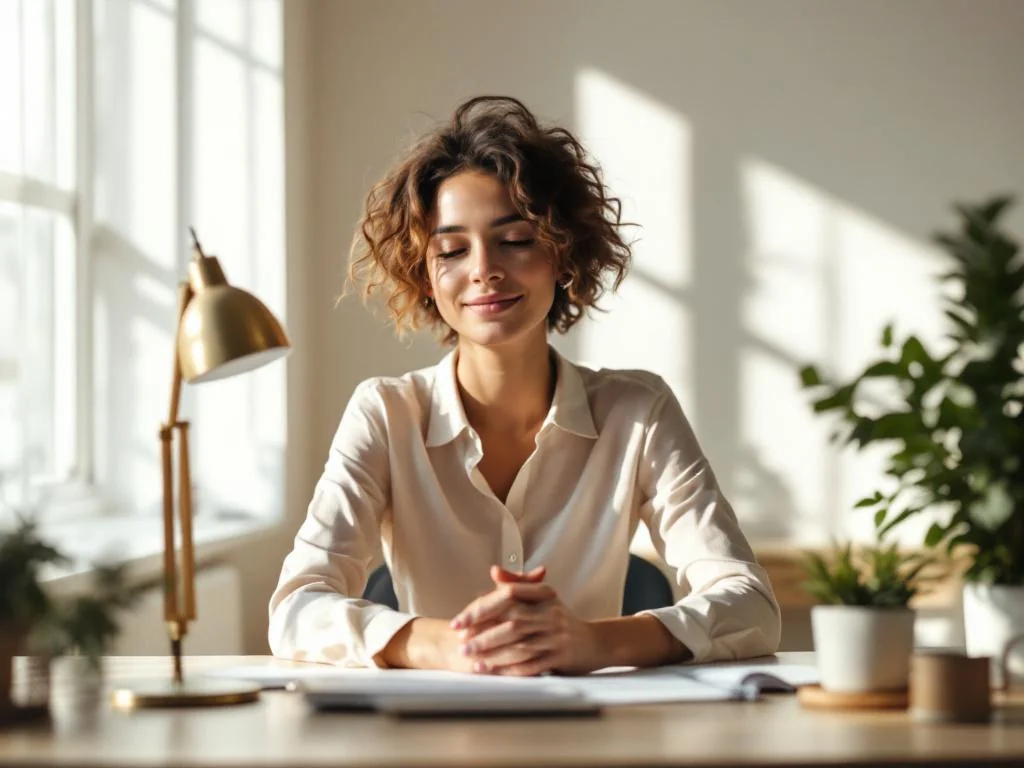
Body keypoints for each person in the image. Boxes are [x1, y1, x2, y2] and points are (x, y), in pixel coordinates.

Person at [268, 96, 780, 676]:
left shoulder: (638, 411)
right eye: (452, 249)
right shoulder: (386, 413)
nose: (484, 268)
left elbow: (750, 604)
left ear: (563, 254)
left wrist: (594, 642)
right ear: (426, 277)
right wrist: (450, 645)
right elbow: (295, 607)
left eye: (514, 240)